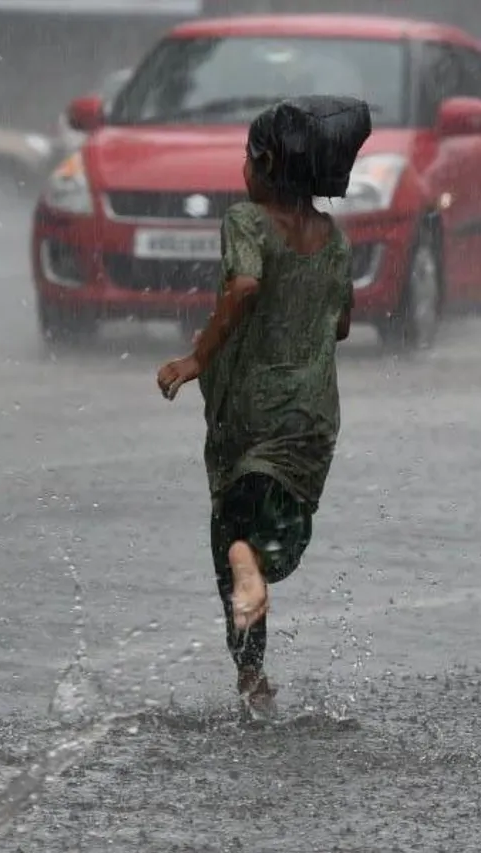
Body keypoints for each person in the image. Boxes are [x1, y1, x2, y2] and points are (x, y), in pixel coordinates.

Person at [156, 107, 353, 719]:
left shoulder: (246, 220)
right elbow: (341, 324)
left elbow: (244, 286)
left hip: (251, 409)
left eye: (247, 155)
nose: (242, 167)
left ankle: (250, 670)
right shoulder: (335, 238)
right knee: (278, 525)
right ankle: (255, 603)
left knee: (231, 532)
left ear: (266, 164)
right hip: (311, 417)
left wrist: (197, 356)